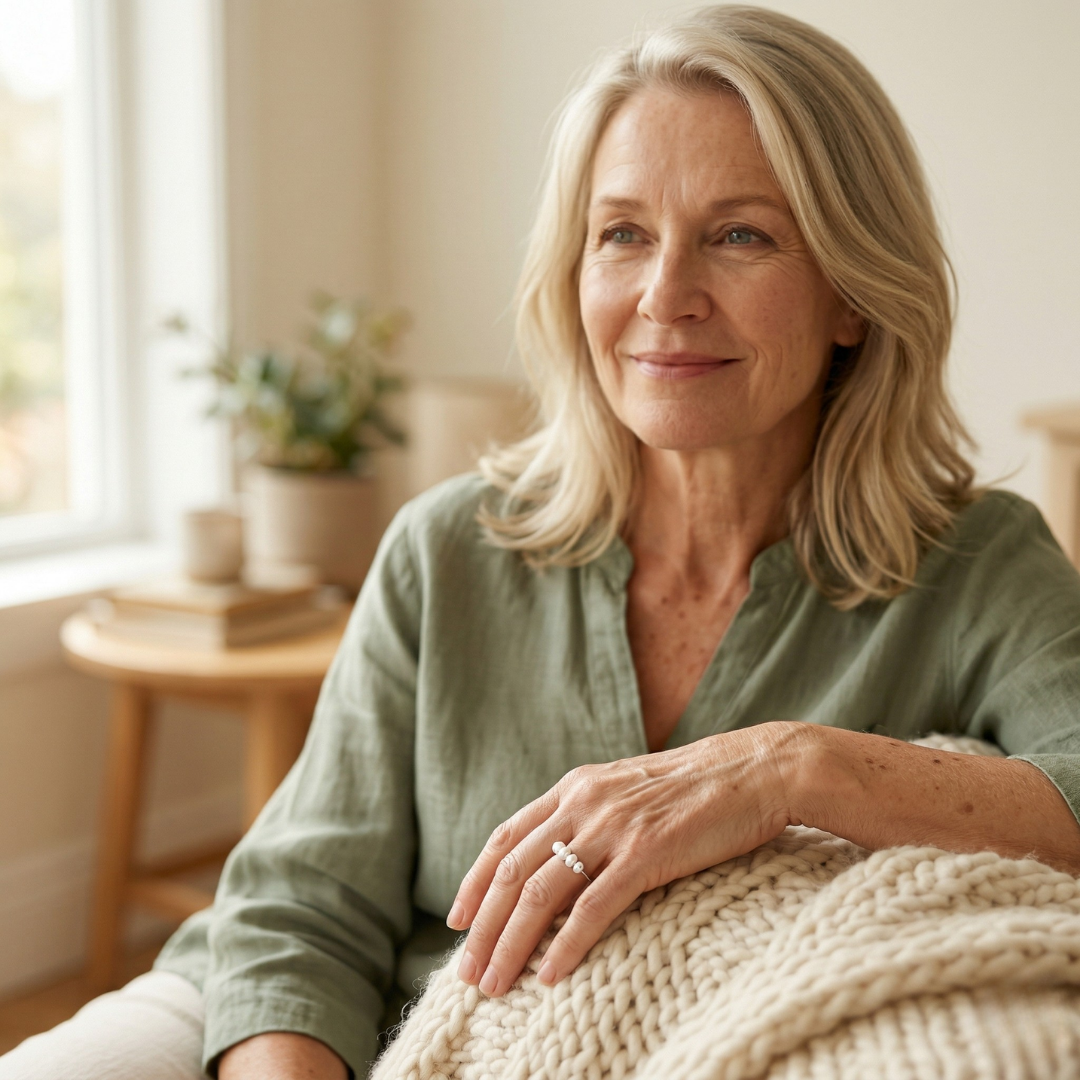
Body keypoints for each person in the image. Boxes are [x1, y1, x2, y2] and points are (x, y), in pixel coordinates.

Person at [4, 6, 1080, 1079]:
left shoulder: (979, 562)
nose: (666, 297)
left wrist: (786, 769)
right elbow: (300, 916)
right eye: (622, 234)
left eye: (739, 234)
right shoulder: (446, 552)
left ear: (852, 291)